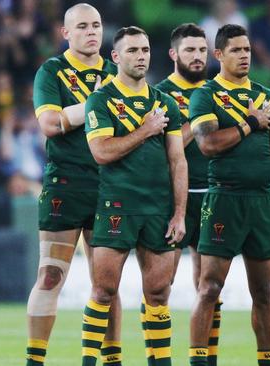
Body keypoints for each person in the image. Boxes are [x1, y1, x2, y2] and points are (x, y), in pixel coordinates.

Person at [187, 24, 270, 366]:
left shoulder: (267, 96)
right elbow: (207, 144)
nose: (244, 56)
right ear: (219, 55)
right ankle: (199, 360)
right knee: (209, 288)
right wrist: (248, 124)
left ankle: (268, 361)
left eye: (247, 50)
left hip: (262, 203)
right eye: (236, 50)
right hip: (223, 201)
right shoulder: (206, 95)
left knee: (264, 294)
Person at [80, 25, 187, 366]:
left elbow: (177, 159)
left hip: (158, 208)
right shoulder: (101, 99)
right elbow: (101, 152)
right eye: (132, 51)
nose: (141, 57)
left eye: (144, 50)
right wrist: (146, 130)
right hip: (117, 206)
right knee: (103, 290)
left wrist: (180, 213)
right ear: (115, 57)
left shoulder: (165, 102)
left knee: (158, 292)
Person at [27, 4, 119, 365]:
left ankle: (109, 359)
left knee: (107, 284)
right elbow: (50, 124)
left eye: (96, 25)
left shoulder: (116, 71)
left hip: (109, 187)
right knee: (50, 275)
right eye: (82, 26)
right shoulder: (51, 71)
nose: (91, 32)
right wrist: (95, 103)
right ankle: (35, 360)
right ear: (65, 33)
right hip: (64, 185)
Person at [154, 23, 223, 366]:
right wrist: (196, 123)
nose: (198, 57)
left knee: (210, 288)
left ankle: (205, 359)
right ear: (173, 54)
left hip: (214, 195)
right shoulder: (159, 95)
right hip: (173, 198)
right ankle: (160, 359)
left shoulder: (217, 90)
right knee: (159, 287)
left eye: (202, 50)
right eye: (190, 50)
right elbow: (160, 151)